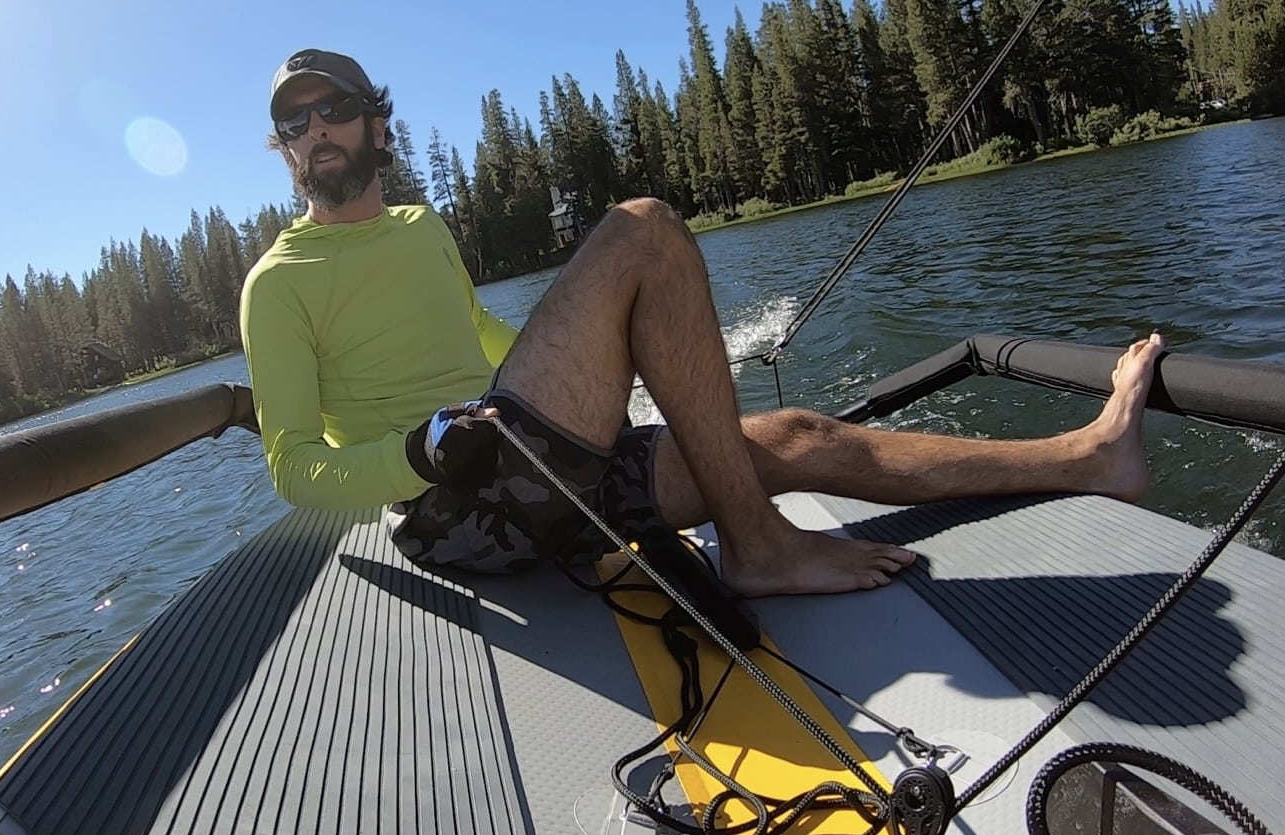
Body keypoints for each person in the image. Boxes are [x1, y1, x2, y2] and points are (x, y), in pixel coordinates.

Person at [240, 49, 1165, 597]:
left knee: (795, 432)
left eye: (332, 111)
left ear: (376, 128)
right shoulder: (276, 286)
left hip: (536, 466)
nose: (314, 131)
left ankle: (1089, 456)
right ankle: (757, 546)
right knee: (641, 228)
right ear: (286, 153)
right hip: (453, 513)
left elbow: (481, 334)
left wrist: (641, 366)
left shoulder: (419, 228)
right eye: (295, 124)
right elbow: (294, 470)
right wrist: (421, 448)